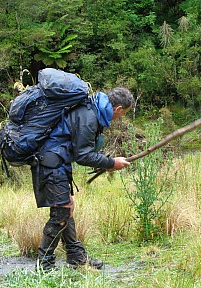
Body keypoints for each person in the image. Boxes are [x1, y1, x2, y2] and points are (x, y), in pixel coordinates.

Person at [31, 87, 134, 271]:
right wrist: (111, 163)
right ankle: (44, 264)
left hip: (56, 162)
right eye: (123, 114)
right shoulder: (89, 117)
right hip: (51, 164)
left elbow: (81, 148)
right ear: (118, 109)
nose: (121, 118)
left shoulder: (91, 110)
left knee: (66, 207)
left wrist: (106, 162)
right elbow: (83, 155)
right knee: (61, 212)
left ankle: (76, 256)